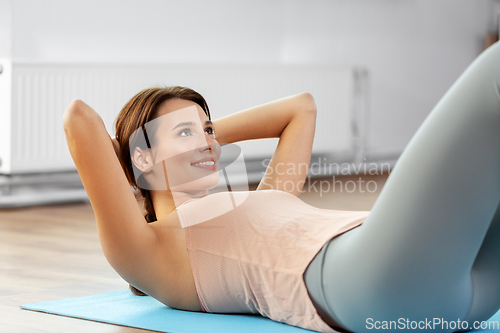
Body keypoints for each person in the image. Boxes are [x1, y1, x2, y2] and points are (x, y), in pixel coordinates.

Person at [63, 40, 500, 333]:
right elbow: (79, 118)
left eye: (209, 130)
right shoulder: (149, 250)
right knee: (492, 74)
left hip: (467, 297)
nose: (210, 141)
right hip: (378, 286)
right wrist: (148, 155)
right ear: (138, 155)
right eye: (185, 133)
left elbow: (300, 108)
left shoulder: (272, 194)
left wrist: (195, 136)